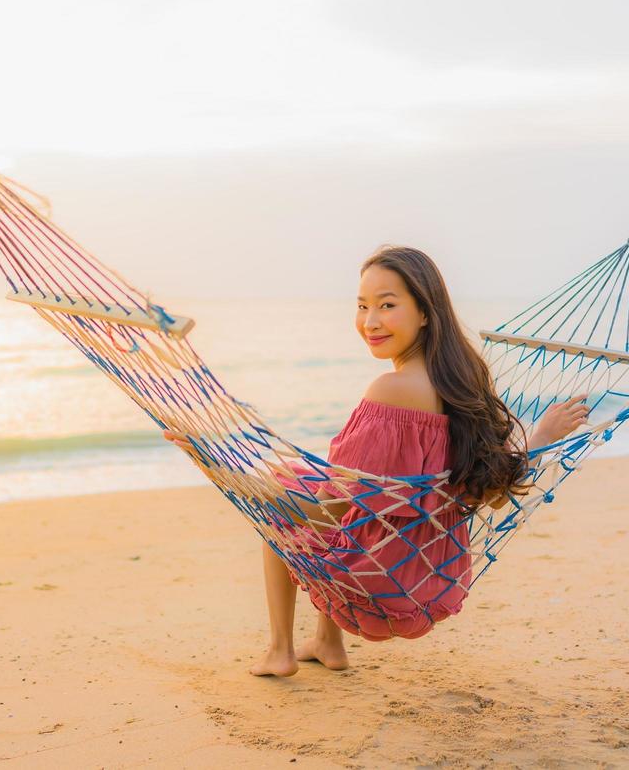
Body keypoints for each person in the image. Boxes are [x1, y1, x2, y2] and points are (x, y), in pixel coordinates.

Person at [167, 245, 589, 677]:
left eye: (387, 305)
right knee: (301, 478)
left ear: (425, 311)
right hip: (430, 574)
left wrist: (218, 467)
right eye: (362, 306)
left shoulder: (392, 391)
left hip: (379, 581)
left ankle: (281, 651)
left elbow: (325, 511)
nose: (369, 322)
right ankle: (328, 643)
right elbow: (494, 494)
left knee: (281, 509)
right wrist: (540, 438)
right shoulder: (462, 381)